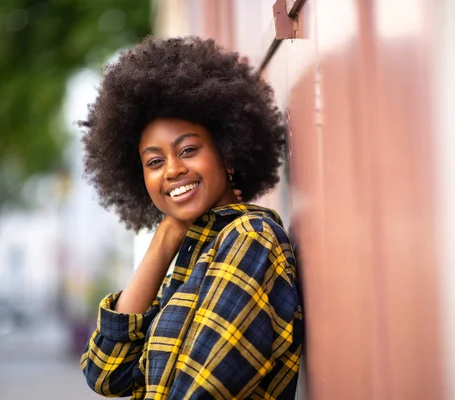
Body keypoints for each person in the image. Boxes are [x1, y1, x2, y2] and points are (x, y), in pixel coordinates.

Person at [79, 36, 303, 399]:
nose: (172, 170)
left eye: (188, 150)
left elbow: (201, 390)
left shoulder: (250, 240)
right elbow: (105, 371)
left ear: (228, 154)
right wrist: (167, 235)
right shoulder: (194, 254)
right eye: (154, 162)